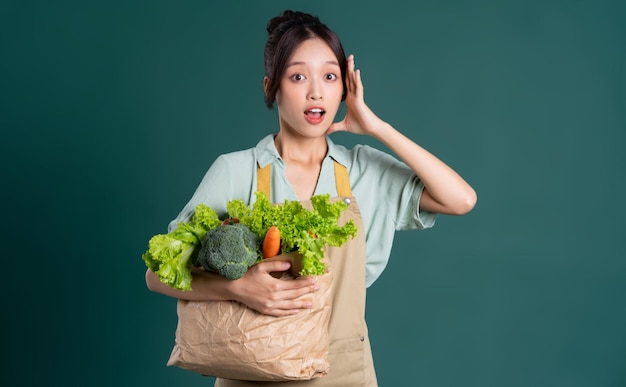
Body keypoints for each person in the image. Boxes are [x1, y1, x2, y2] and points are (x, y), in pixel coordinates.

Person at [145, 9, 476, 386]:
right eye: (298, 76)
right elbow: (157, 275)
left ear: (344, 91)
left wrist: (376, 127)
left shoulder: (363, 171)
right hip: (254, 370)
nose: (316, 91)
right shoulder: (236, 171)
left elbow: (460, 200)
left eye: (330, 76)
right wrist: (239, 287)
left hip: (346, 372)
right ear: (272, 87)